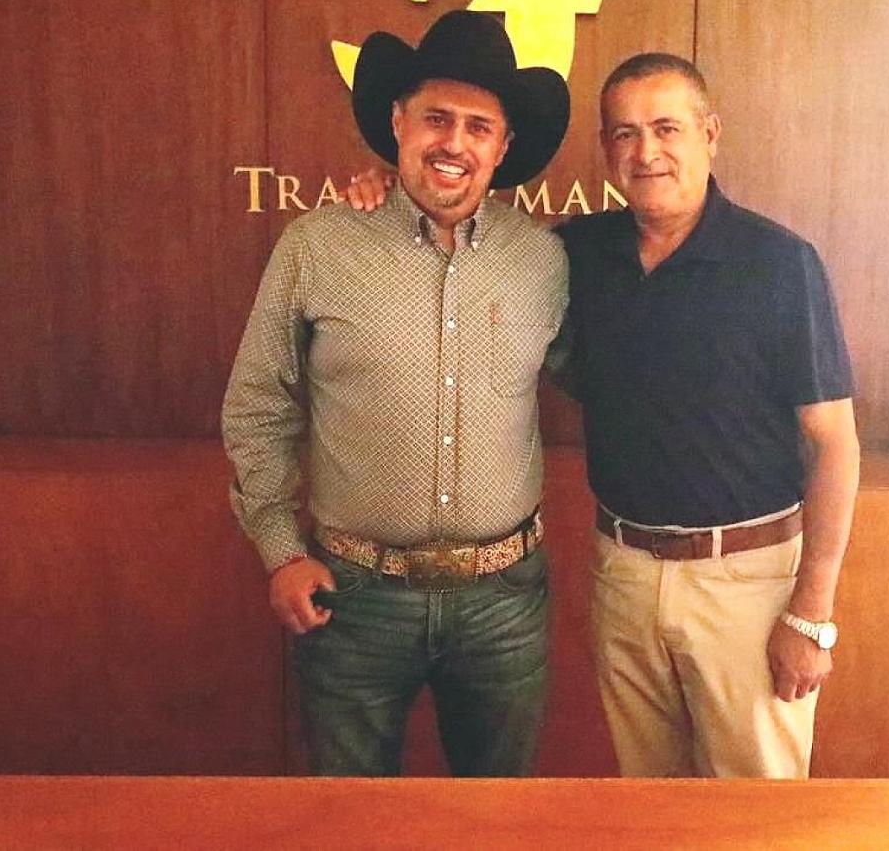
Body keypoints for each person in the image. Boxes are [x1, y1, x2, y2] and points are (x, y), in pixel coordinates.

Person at [346, 51, 859, 779]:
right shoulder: (577, 255)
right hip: (622, 573)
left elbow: (834, 444)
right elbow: (466, 235)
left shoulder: (779, 265)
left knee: (755, 816)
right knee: (645, 803)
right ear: (607, 149)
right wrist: (387, 186)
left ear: (709, 134)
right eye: (624, 134)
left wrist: (811, 613)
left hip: (747, 583)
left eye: (666, 128)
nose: (646, 152)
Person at [222, 10, 570, 777]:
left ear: (503, 147)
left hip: (504, 602)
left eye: (478, 127)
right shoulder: (318, 247)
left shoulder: (545, 261)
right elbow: (258, 405)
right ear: (397, 123)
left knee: (497, 820)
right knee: (349, 820)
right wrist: (280, 551)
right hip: (353, 598)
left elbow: (607, 374)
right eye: (436, 118)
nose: (454, 143)